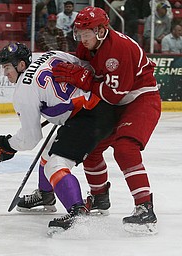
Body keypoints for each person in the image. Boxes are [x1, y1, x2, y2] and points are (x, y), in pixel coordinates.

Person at [50, 7, 161, 235]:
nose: (82, 39)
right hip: (114, 103)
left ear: (101, 30)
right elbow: (83, 76)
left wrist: (85, 82)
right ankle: (100, 197)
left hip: (140, 99)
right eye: (79, 34)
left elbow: (113, 94)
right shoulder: (87, 45)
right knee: (91, 148)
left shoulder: (119, 49)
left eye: (86, 33)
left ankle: (145, 206)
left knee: (125, 148)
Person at [0, 42, 116, 234]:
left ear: (21, 65)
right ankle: (46, 195)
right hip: (102, 105)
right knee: (48, 151)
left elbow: (30, 137)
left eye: (7, 67)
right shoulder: (51, 54)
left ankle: (77, 212)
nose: (5, 73)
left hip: (89, 117)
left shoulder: (23, 91)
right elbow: (86, 67)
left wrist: (7, 145)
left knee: (55, 165)